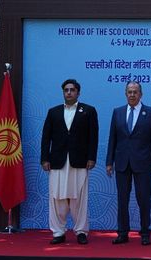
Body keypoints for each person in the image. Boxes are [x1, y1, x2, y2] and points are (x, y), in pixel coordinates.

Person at [40, 79, 98, 245]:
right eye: (66, 90)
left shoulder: (88, 111)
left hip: (79, 161)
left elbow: (93, 137)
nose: (69, 92)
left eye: (72, 90)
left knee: (79, 197)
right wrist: (44, 159)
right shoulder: (54, 112)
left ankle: (81, 232)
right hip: (57, 161)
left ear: (78, 92)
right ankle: (58, 232)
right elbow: (46, 138)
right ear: (63, 93)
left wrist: (91, 157)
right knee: (57, 197)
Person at [106, 81, 151, 246]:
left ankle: (145, 233)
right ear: (125, 94)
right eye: (129, 92)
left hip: (143, 163)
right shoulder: (118, 112)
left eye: (135, 92)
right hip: (122, 163)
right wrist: (109, 162)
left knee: (144, 199)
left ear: (141, 94)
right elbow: (112, 139)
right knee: (122, 199)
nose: (132, 95)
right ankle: (122, 233)